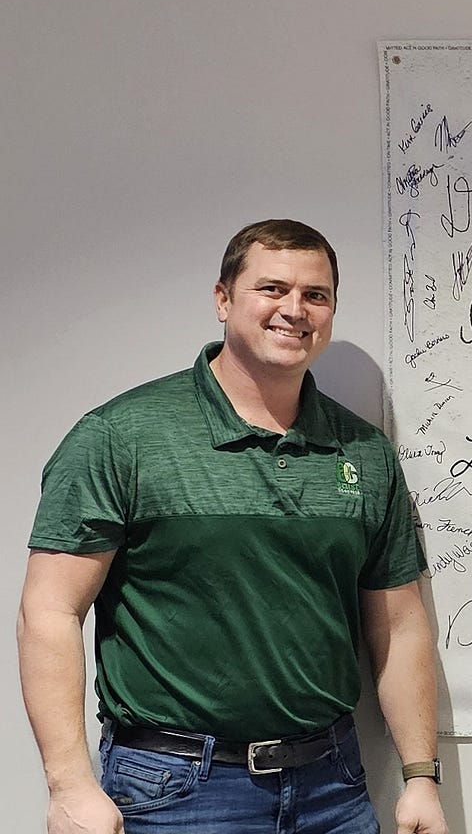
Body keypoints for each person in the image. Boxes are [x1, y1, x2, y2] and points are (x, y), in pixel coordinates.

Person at [17, 220, 449, 834]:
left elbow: (400, 626)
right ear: (223, 300)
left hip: (333, 789)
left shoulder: (366, 452)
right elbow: (49, 612)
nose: (294, 310)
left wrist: (420, 777)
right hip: (176, 791)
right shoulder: (122, 437)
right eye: (272, 289)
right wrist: (67, 785)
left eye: (315, 295)